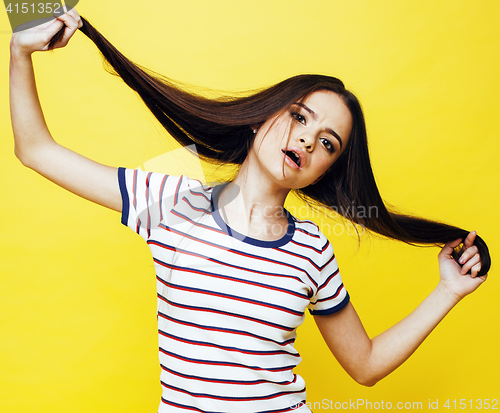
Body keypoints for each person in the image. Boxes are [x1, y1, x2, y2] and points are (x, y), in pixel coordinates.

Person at [9, 9, 490, 413]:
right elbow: (35, 150)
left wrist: (448, 291)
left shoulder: (312, 249)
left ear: (322, 172)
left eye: (327, 143)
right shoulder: (172, 202)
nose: (306, 138)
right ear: (264, 115)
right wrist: (20, 53)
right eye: (300, 117)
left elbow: (363, 366)